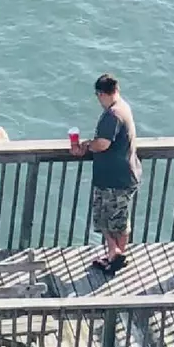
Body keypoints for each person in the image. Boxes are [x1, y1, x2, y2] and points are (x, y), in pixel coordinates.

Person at [71, 73, 142, 275]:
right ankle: (115, 255)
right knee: (112, 219)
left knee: (110, 219)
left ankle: (116, 254)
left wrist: (86, 146)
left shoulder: (112, 115)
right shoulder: (123, 107)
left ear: (101, 94)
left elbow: (103, 144)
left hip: (115, 179)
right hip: (121, 175)